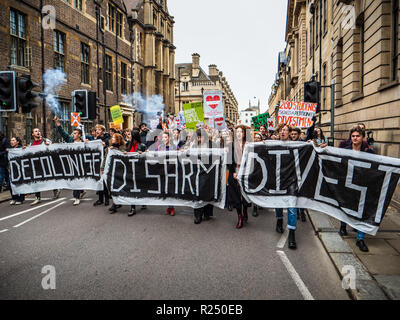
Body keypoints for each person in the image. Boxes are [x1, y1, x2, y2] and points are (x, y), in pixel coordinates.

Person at [338, 126, 375, 252]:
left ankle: (360, 239)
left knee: (362, 212)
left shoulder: (369, 153)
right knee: (344, 206)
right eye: (353, 136)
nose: (355, 138)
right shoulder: (345, 150)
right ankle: (342, 226)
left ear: (362, 137)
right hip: (347, 183)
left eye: (357, 136)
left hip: (363, 185)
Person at [113, 130, 148, 217]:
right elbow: (122, 152)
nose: (127, 136)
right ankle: (133, 208)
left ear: (134, 136)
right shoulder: (128, 145)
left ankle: (143, 201)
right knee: (132, 188)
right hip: (130, 170)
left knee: (139, 187)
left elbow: (148, 156)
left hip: (139, 170)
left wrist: (142, 154)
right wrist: (123, 152)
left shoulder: (142, 145)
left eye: (129, 135)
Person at [274, 123, 298, 249]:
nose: (282, 132)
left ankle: (292, 235)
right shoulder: (274, 145)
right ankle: (279, 220)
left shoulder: (296, 145)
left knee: (292, 206)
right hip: (279, 179)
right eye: (280, 130)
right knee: (278, 202)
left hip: (292, 180)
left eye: (285, 130)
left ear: (289, 132)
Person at [54, 116, 86, 206]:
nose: (73, 135)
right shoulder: (70, 140)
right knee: (74, 180)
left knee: (77, 180)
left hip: (80, 164)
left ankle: (77, 197)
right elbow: (63, 133)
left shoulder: (84, 143)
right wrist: (57, 122)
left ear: (79, 135)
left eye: (75, 133)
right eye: (73, 133)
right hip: (71, 163)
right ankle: (80, 193)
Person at [25, 128, 60, 205]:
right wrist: (24, 149)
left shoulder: (45, 141)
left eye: (39, 131)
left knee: (49, 178)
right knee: (36, 180)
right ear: (33, 134)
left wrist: (49, 146)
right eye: (36, 131)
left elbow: (54, 149)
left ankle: (55, 189)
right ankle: (37, 197)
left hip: (45, 163)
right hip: (36, 165)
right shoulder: (31, 143)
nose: (38, 132)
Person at [227, 125, 252, 229]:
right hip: (234, 173)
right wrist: (233, 171)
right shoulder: (230, 145)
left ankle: (245, 210)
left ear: (244, 133)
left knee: (245, 195)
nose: (238, 133)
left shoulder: (249, 145)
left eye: (241, 132)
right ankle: (240, 217)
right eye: (237, 132)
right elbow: (229, 161)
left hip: (246, 173)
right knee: (236, 196)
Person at [192, 129, 216, 224]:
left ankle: (207, 213)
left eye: (200, 137)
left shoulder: (212, 145)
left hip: (209, 172)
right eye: (197, 137)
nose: (199, 139)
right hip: (198, 173)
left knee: (209, 192)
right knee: (198, 194)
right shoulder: (194, 145)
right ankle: (197, 215)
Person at [157, 131, 179, 216]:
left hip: (172, 170)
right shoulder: (160, 147)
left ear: (169, 138)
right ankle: (169, 207)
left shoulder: (174, 147)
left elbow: (180, 156)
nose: (164, 139)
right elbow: (154, 155)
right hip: (163, 170)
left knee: (171, 189)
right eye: (163, 137)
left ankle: (172, 207)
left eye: (166, 137)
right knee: (165, 189)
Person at [107, 133, 127, 214]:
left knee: (119, 186)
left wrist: (116, 149)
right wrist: (102, 168)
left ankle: (116, 204)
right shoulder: (110, 147)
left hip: (120, 170)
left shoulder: (122, 146)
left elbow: (123, 152)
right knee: (112, 187)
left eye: (114, 138)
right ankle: (115, 203)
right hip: (112, 169)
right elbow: (106, 157)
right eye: (112, 137)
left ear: (118, 139)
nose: (112, 139)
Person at [93, 125, 110, 207]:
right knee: (98, 181)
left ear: (103, 131)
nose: (97, 131)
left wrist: (105, 146)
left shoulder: (107, 140)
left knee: (104, 181)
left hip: (104, 163)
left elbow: (110, 151)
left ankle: (106, 199)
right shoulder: (95, 140)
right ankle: (100, 199)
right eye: (96, 130)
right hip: (97, 163)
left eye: (99, 130)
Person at [8, 137, 24, 205]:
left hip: (19, 169)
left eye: (13, 140)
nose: (11, 142)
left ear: (17, 142)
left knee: (20, 183)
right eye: (11, 140)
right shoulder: (9, 149)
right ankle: (14, 198)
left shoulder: (21, 148)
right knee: (11, 184)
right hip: (11, 169)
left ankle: (20, 198)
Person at [251, 133, 264, 217]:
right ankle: (255, 207)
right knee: (254, 188)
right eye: (255, 137)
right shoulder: (250, 147)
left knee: (261, 188)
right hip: (252, 170)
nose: (257, 139)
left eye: (259, 138)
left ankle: (260, 202)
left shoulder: (263, 147)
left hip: (261, 171)